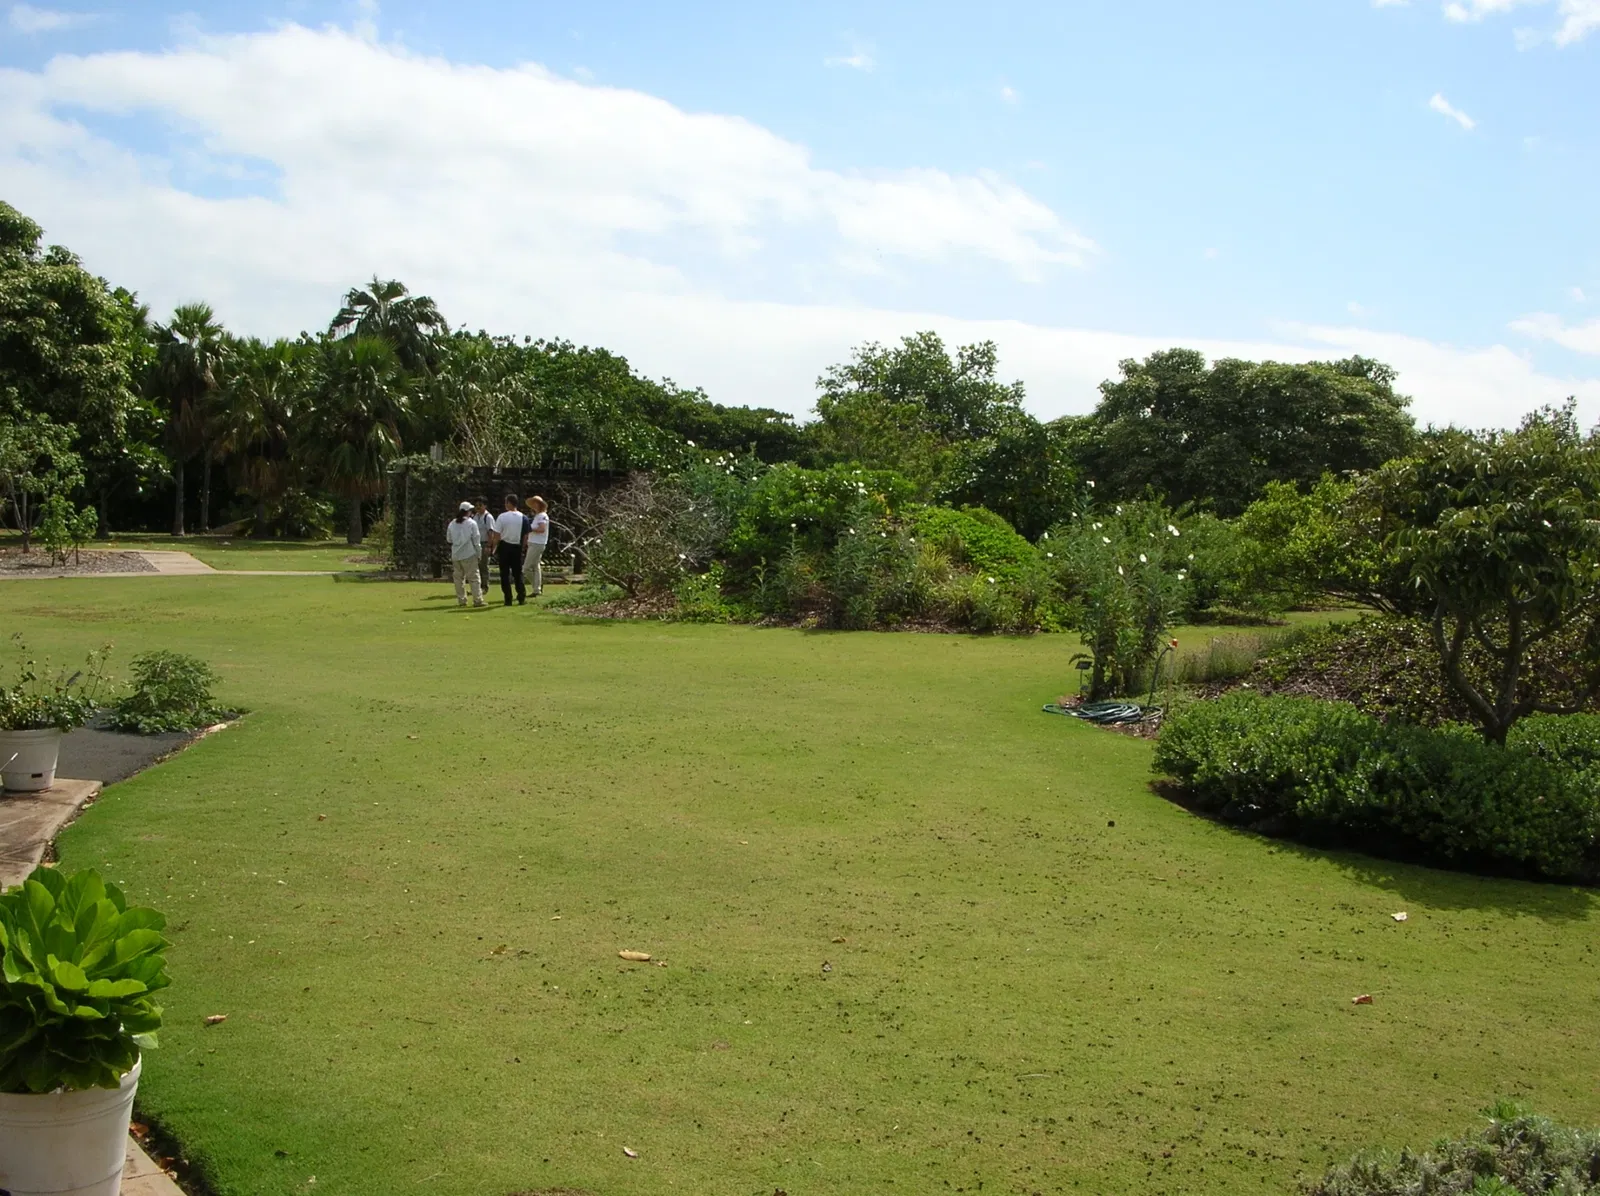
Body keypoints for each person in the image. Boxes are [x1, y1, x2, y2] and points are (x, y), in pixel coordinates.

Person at [489, 492, 527, 606]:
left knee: (504, 574)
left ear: (509, 503)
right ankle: (521, 596)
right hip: (517, 546)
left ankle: (508, 598)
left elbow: (497, 535)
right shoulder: (523, 517)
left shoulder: (502, 517)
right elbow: (526, 535)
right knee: (517, 573)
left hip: (505, 546)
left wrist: (493, 548)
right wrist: (523, 548)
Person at [446, 501, 485, 607]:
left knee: (458, 579)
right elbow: (476, 541)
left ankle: (462, 600)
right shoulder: (471, 523)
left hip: (456, 555)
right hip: (469, 554)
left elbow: (449, 539)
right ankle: (478, 599)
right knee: (474, 578)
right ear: (468, 512)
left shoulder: (452, 523)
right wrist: (479, 553)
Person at [522, 495, 550, 597]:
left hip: (537, 543)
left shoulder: (542, 516)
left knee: (526, 568)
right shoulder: (537, 516)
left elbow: (542, 529)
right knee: (535, 566)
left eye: (535, 503)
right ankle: (537, 589)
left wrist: (529, 529)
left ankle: (536, 585)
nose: (533, 505)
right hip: (534, 543)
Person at [472, 497, 495, 595]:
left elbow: (491, 532)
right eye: (476, 505)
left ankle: (484, 586)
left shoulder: (488, 517)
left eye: (480, 505)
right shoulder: (475, 516)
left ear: (485, 506)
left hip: (484, 542)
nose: (478, 507)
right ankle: (477, 587)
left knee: (484, 566)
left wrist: (489, 546)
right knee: (475, 566)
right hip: (476, 543)